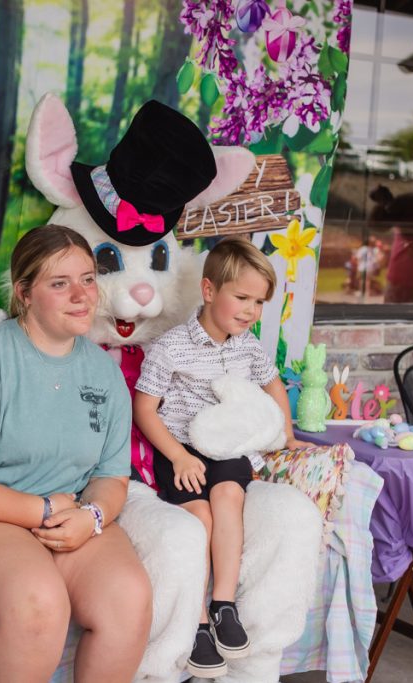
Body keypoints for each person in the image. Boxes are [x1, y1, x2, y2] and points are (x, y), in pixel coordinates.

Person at [0, 224, 152, 682]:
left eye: (88, 279)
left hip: (69, 514)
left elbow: (111, 476)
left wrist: (93, 517)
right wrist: (40, 509)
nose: (81, 296)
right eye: (60, 283)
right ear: (24, 293)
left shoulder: (103, 373)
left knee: (129, 597)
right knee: (38, 602)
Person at [133, 237, 311, 678]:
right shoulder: (172, 346)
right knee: (200, 517)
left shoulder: (247, 346)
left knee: (229, 497)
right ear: (209, 290)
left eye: (259, 302)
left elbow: (273, 384)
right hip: (182, 450)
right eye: (243, 298)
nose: (251, 311)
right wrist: (177, 456)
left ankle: (223, 606)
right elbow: (144, 408)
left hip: (228, 447)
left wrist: (287, 435)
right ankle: (195, 625)